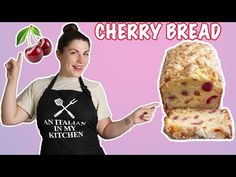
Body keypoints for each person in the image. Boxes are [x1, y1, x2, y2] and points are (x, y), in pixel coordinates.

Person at [1, 23, 159, 155]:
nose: (81, 60)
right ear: (59, 54)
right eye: (74, 53)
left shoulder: (94, 88)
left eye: (86, 54)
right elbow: (9, 119)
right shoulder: (39, 86)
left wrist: (131, 120)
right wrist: (12, 80)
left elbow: (105, 130)